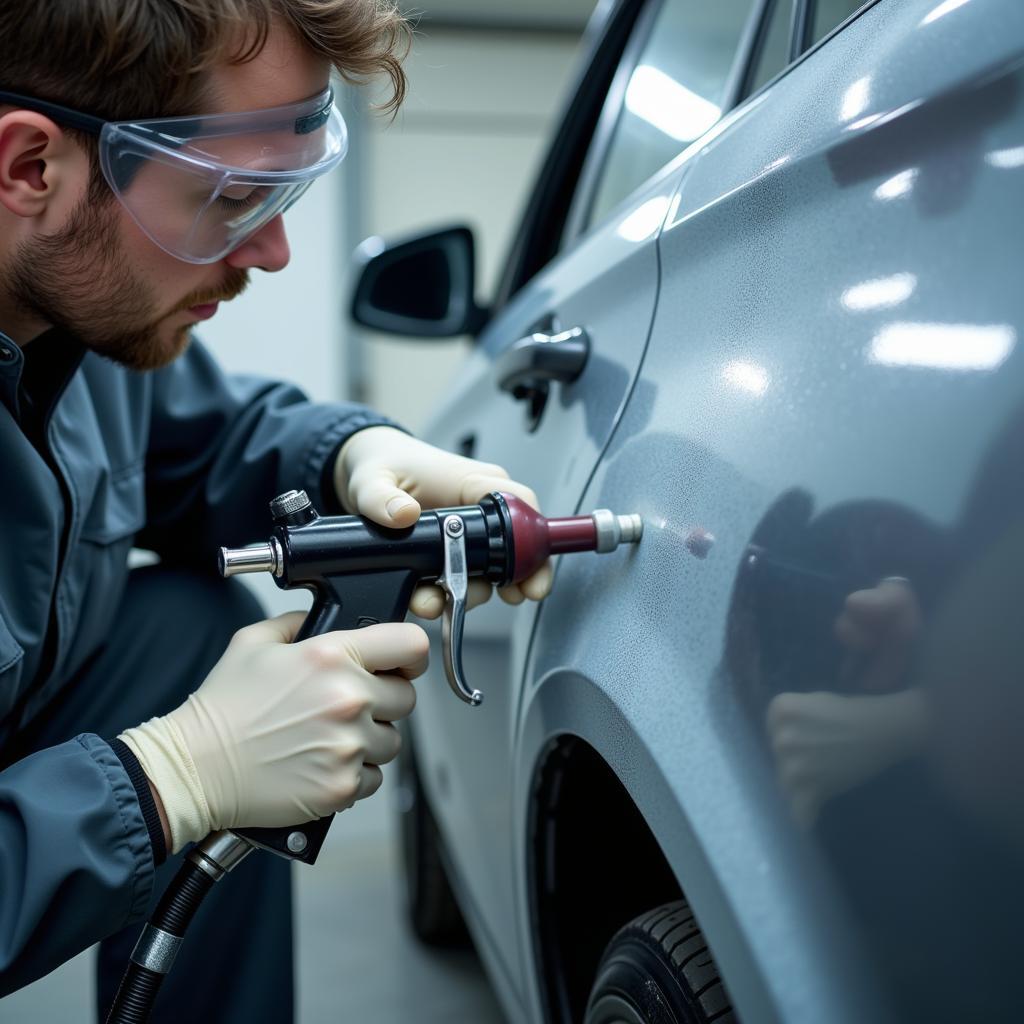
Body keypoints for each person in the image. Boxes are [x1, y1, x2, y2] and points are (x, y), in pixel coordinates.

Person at [0, 2, 552, 1019]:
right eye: (232, 196)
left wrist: (351, 454)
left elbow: (202, 441)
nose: (274, 253)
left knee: (183, 629)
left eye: (286, 193)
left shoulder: (73, 325)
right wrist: (169, 778)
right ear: (32, 167)